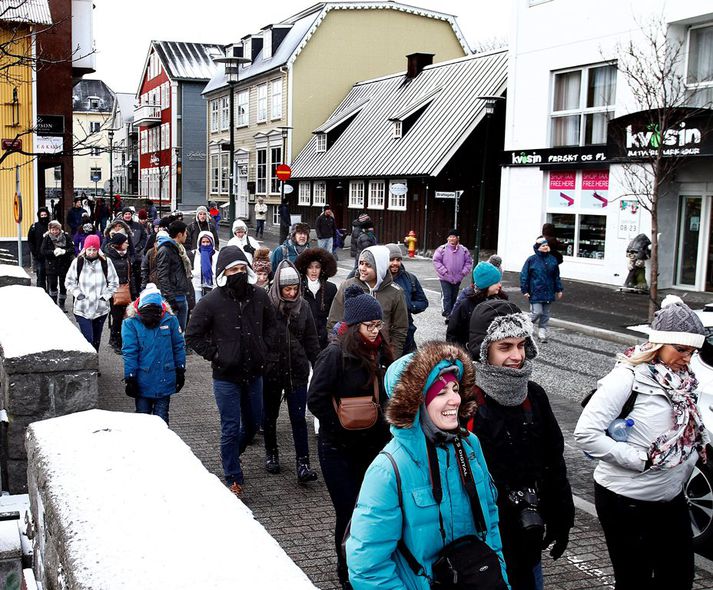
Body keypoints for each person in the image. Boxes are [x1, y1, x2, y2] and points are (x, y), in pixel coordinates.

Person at [346, 341, 508, 589]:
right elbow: (367, 568)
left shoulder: (470, 446)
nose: (454, 399)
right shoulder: (388, 469)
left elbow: (490, 525)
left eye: (455, 389)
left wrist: (500, 580)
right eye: (441, 393)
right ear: (416, 403)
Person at [574, 295, 708, 590]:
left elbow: (687, 427)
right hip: (625, 501)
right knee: (634, 580)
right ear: (658, 343)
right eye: (682, 349)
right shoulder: (627, 377)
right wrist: (640, 459)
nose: (687, 358)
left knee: (679, 577)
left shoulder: (686, 381)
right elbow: (586, 433)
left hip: (670, 497)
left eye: (693, 351)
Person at [468, 300, 574, 590]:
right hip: (480, 537)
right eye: (505, 347)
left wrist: (561, 514)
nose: (517, 356)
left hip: (526, 530)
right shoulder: (462, 399)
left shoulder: (534, 395)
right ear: (483, 348)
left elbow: (554, 460)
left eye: (522, 345)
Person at [307, 285, 394, 587]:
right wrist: (340, 427)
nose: (375, 331)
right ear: (355, 326)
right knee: (349, 513)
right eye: (369, 326)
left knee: (371, 513)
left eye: (378, 324)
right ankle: (347, 575)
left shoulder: (383, 352)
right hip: (337, 450)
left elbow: (389, 397)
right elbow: (315, 399)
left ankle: (367, 568)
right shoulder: (334, 355)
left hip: (373, 448)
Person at [186, 246, 276, 496]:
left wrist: (264, 349)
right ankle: (233, 476)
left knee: (252, 422)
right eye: (231, 270)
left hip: (254, 372)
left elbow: (271, 326)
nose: (237, 273)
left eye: (240, 268)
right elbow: (193, 334)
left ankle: (230, 454)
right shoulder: (211, 301)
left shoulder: (259, 296)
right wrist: (216, 354)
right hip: (226, 376)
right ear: (223, 273)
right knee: (229, 425)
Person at [263, 260, 321, 482]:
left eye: (295, 288)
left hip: (296, 369)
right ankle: (272, 453)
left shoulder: (303, 306)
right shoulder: (266, 305)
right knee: (270, 415)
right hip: (271, 370)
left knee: (298, 417)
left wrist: (317, 366)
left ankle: (303, 463)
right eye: (287, 289)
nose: (291, 292)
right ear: (278, 287)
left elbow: (311, 339)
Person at [327, 245, 409, 356]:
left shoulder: (396, 292)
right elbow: (334, 321)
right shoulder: (347, 286)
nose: (362, 268)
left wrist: (392, 357)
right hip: (350, 353)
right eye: (361, 263)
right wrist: (339, 350)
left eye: (368, 265)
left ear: (379, 267)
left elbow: (400, 329)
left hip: (379, 354)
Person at [122, 284, 186, 425]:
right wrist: (130, 377)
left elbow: (178, 346)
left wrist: (180, 368)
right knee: (142, 419)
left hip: (165, 378)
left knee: (161, 420)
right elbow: (130, 351)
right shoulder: (130, 324)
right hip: (142, 380)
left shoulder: (170, 320)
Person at [64, 234, 119, 351]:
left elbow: (114, 282)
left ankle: (95, 362)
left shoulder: (106, 262)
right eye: (89, 249)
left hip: (100, 308)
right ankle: (90, 363)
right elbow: (69, 282)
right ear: (85, 248)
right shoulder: (78, 262)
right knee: (88, 339)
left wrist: (105, 297)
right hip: (82, 308)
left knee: (96, 339)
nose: (91, 252)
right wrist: (78, 294)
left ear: (98, 249)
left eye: (94, 250)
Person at [447, 257, 507, 349]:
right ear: (486, 285)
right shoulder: (466, 304)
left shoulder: (501, 300)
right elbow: (453, 332)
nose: (500, 285)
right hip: (470, 351)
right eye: (496, 282)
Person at [386, 243, 428, 355]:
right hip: (384, 333)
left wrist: (409, 306)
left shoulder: (410, 279)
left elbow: (423, 302)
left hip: (407, 333)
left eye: (398, 259)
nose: (395, 263)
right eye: (391, 259)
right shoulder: (377, 278)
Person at [520, 236, 563, 343]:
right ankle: (523, 326)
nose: (545, 247)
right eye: (543, 245)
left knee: (545, 314)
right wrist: (525, 290)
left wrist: (559, 289)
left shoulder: (552, 260)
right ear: (538, 247)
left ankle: (541, 334)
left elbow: (556, 276)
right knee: (537, 312)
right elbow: (524, 275)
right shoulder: (531, 260)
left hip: (549, 291)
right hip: (535, 291)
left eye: (546, 245)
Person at [295, 247, 338, 350]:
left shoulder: (331, 288)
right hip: (303, 340)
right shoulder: (297, 288)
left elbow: (335, 315)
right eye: (310, 267)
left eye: (317, 267)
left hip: (323, 340)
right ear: (305, 268)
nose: (314, 271)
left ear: (322, 269)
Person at [156, 220, 192, 332]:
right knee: (174, 331)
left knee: (181, 329)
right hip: (174, 296)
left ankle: (181, 348)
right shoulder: (166, 250)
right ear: (179, 234)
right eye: (185, 233)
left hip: (181, 293)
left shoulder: (178, 248)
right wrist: (170, 298)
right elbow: (162, 276)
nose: (186, 235)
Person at [433, 228, 473, 322]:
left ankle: (453, 313)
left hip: (457, 278)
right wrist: (444, 271)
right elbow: (436, 260)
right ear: (448, 238)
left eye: (453, 237)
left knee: (454, 296)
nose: (451, 239)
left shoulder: (463, 250)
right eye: (450, 237)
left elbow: (468, 262)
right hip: (445, 278)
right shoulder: (442, 249)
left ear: (457, 238)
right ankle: (447, 314)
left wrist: (463, 272)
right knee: (447, 296)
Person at [105, 233, 135, 354]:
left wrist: (133, 291)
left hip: (125, 289)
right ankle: (115, 340)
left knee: (125, 316)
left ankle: (120, 339)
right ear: (118, 244)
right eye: (125, 242)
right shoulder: (109, 258)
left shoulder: (126, 256)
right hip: (114, 290)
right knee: (117, 317)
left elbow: (130, 274)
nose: (127, 244)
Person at [42, 220, 75, 311]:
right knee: (53, 284)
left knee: (63, 285)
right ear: (50, 230)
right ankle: (53, 302)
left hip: (64, 265)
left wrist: (64, 251)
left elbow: (72, 249)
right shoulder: (47, 238)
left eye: (56, 229)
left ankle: (62, 303)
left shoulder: (66, 237)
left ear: (60, 229)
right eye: (52, 229)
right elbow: (43, 251)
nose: (55, 231)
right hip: (51, 265)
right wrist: (53, 252)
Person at [27, 207, 51, 292]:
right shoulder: (34, 227)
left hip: (50, 256)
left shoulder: (52, 226)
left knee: (51, 278)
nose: (44, 217)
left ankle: (51, 296)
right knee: (40, 276)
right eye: (42, 215)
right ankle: (41, 293)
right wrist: (34, 252)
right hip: (39, 256)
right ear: (39, 216)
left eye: (45, 215)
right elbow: (30, 241)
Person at [191, 231, 218, 303]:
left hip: (213, 287)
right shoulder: (194, 254)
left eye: (208, 242)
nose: (205, 244)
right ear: (199, 243)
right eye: (203, 242)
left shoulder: (217, 255)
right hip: (197, 286)